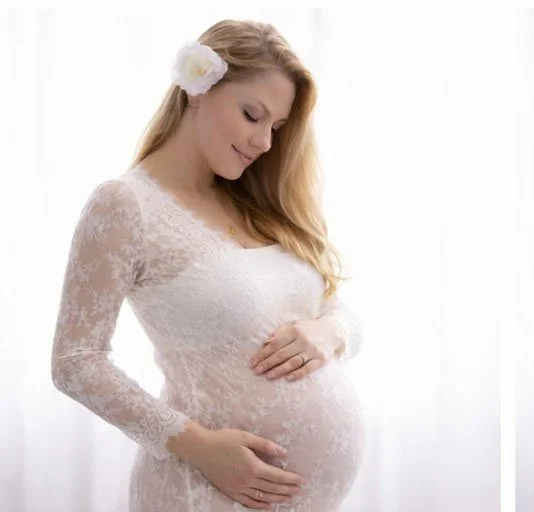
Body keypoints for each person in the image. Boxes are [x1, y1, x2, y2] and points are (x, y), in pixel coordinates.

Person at [50, 20, 364, 511]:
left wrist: (331, 334)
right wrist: (203, 448)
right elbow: (74, 363)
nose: (264, 142)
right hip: (202, 492)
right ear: (198, 89)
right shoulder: (124, 204)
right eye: (251, 115)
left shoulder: (256, 202)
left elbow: (339, 311)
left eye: (276, 128)